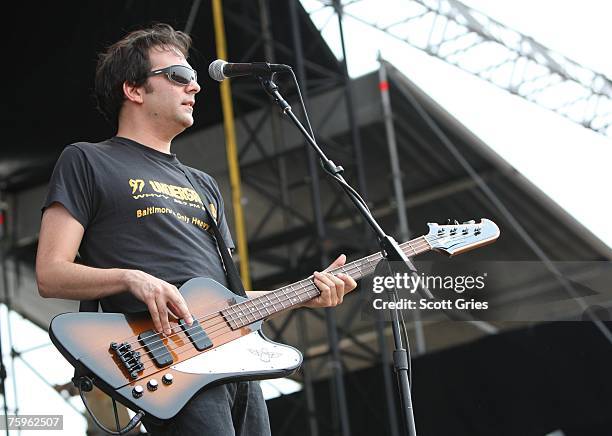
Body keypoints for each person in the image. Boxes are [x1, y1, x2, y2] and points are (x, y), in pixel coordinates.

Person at [35, 23, 357, 435]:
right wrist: (133, 279)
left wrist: (303, 294)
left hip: (235, 361)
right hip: (168, 361)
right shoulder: (87, 160)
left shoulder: (203, 185)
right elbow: (50, 273)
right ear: (133, 89)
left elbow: (225, 302)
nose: (196, 87)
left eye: (194, 78)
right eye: (179, 76)